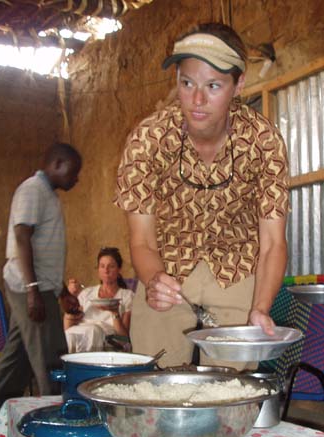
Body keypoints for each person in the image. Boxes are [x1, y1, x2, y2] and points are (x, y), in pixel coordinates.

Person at [114, 22, 289, 368]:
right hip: (166, 265)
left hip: (236, 265)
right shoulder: (147, 141)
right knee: (153, 379)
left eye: (213, 85)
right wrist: (153, 281)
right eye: (187, 82)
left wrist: (261, 307)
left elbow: (272, 244)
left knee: (231, 387)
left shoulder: (264, 142)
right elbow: (142, 241)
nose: (197, 100)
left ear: (238, 84)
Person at [0, 143, 81, 422]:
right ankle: (58, 423)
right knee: (51, 361)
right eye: (73, 173)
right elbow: (21, 237)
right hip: (31, 287)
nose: (76, 179)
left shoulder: (47, 194)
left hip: (41, 287)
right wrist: (32, 291)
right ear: (58, 163)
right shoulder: (32, 189)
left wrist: (62, 291)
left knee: (14, 365)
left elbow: (45, 251)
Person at [64, 247, 134, 352]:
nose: (106, 270)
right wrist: (71, 298)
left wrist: (115, 312)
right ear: (98, 269)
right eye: (102, 266)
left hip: (108, 338)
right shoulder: (86, 293)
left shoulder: (127, 296)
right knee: (70, 334)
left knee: (93, 330)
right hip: (82, 332)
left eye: (111, 266)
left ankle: (88, 366)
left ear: (119, 269)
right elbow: (68, 328)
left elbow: (124, 338)